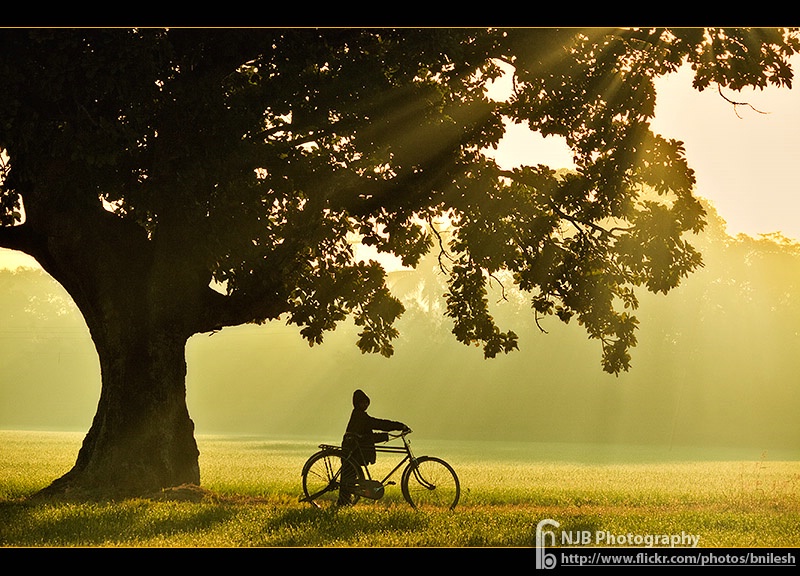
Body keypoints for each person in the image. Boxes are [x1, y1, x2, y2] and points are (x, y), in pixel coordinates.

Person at [337, 389, 409, 505]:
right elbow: (378, 424)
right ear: (357, 404)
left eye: (366, 403)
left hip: (353, 449)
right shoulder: (360, 416)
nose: (365, 405)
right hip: (353, 450)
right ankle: (344, 502)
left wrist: (386, 434)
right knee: (348, 478)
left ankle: (344, 502)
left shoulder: (359, 415)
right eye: (362, 403)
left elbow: (370, 432)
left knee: (348, 477)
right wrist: (398, 426)